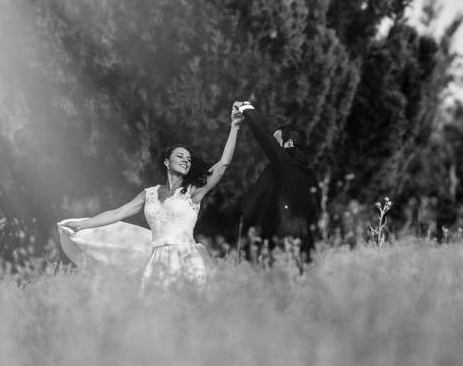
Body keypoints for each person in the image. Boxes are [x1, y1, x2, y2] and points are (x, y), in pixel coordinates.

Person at [58, 104, 242, 289]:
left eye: (188, 159)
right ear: (166, 162)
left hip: (187, 259)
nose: (186, 160)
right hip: (157, 262)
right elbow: (117, 213)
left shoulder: (193, 191)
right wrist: (82, 224)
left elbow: (223, 164)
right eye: (180, 156)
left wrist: (234, 126)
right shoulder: (149, 194)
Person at [236, 101, 321, 263]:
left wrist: (247, 109)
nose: (275, 148)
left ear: (288, 143)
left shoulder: (287, 161)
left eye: (277, 143)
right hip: (305, 241)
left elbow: (264, 136)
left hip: (283, 236)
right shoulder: (310, 173)